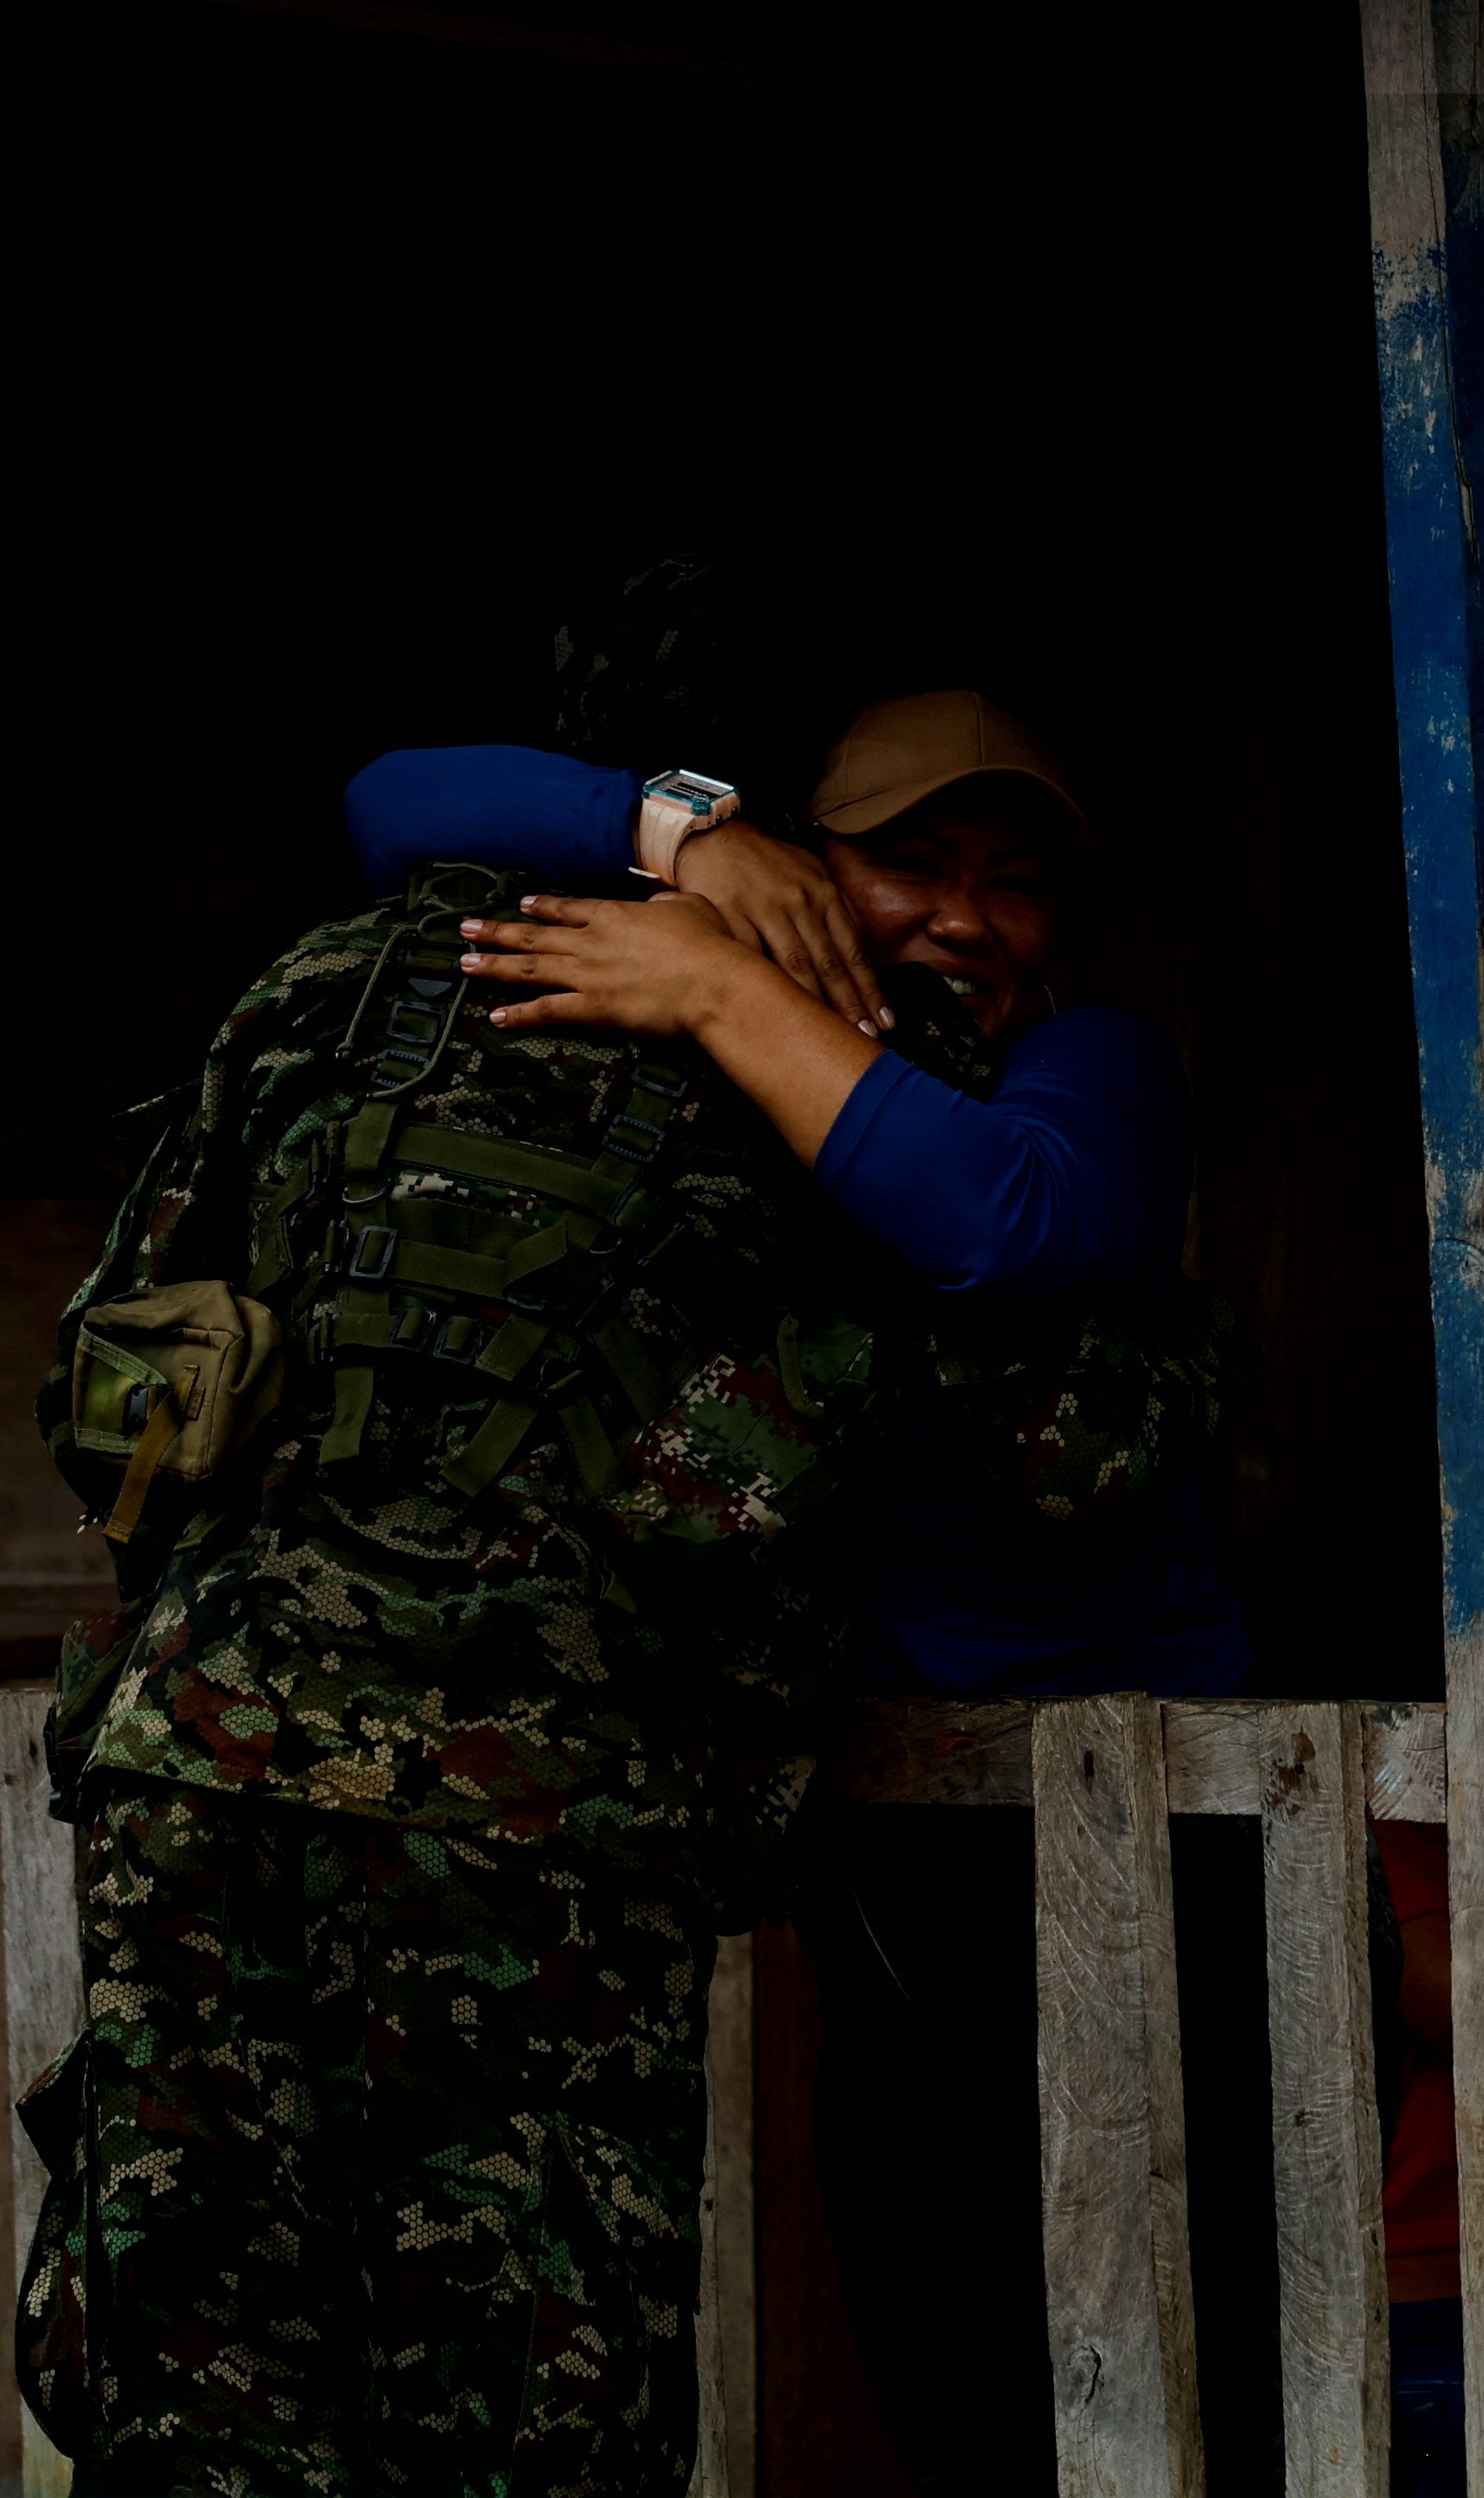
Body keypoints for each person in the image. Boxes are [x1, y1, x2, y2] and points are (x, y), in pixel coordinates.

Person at [13, 816, 978, 2496]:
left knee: (200, 2398)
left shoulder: (332, 978)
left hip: (202, 1760)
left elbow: (112, 1377)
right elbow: (892, 1427)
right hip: (540, 1811)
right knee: (531, 2410)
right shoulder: (816, 1022)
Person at [390, 685, 1259, 2493]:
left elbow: (1004, 1221)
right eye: (909, 862)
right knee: (945, 2364)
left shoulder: (1088, 1068)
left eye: (1012, 880)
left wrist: (721, 984)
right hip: (894, 1855)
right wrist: (684, 838)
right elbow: (387, 798)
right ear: (815, 861)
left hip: (1143, 1844)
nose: (961, 914)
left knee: (1177, 2370)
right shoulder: (745, 1022)